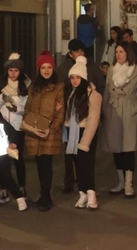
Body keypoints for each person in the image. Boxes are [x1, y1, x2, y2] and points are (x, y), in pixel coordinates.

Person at [21, 52, 66, 211]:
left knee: (46, 163)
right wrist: (28, 123)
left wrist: (51, 128)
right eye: (43, 67)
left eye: (49, 67)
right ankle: (43, 195)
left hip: (49, 132)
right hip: (35, 129)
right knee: (39, 164)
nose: (46, 70)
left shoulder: (59, 87)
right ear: (38, 69)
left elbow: (61, 112)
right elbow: (28, 107)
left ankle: (46, 197)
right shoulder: (34, 86)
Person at [102, 40, 137, 198]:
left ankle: (129, 183)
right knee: (116, 148)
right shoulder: (112, 70)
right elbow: (107, 90)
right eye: (117, 52)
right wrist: (105, 109)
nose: (118, 55)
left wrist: (136, 107)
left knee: (128, 149)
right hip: (113, 111)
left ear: (128, 53)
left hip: (129, 111)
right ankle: (120, 181)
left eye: (121, 51)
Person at [64, 59, 103, 209]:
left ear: (84, 78)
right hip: (72, 131)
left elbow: (93, 119)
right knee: (77, 164)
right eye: (72, 77)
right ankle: (83, 193)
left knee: (87, 164)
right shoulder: (70, 94)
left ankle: (91, 193)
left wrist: (85, 142)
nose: (74, 81)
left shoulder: (92, 94)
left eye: (78, 77)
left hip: (85, 132)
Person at [54, 39, 86, 193]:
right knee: (68, 150)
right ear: (70, 53)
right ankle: (69, 179)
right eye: (76, 51)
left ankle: (82, 179)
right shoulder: (64, 68)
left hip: (82, 116)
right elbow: (59, 89)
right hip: (68, 115)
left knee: (82, 150)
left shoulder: (89, 66)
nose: (79, 54)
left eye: (81, 51)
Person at [0, 55, 29, 200]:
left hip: (17, 127)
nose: (13, 74)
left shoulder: (24, 86)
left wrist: (17, 109)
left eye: (16, 70)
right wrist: (2, 99)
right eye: (10, 70)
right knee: (2, 159)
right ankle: (4, 187)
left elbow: (27, 106)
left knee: (17, 158)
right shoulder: (0, 86)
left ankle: (21, 185)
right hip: (2, 127)